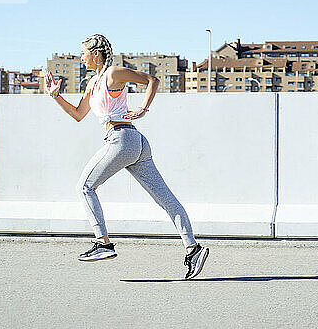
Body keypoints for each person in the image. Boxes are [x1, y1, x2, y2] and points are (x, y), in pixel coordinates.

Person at [44, 34, 209, 280]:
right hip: (135, 143)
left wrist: (143, 108)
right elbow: (78, 114)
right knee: (165, 199)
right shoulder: (93, 84)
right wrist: (56, 95)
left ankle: (103, 244)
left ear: (96, 54)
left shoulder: (113, 74)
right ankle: (193, 248)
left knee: (85, 186)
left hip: (122, 139)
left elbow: (151, 80)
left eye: (83, 52)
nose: (81, 57)